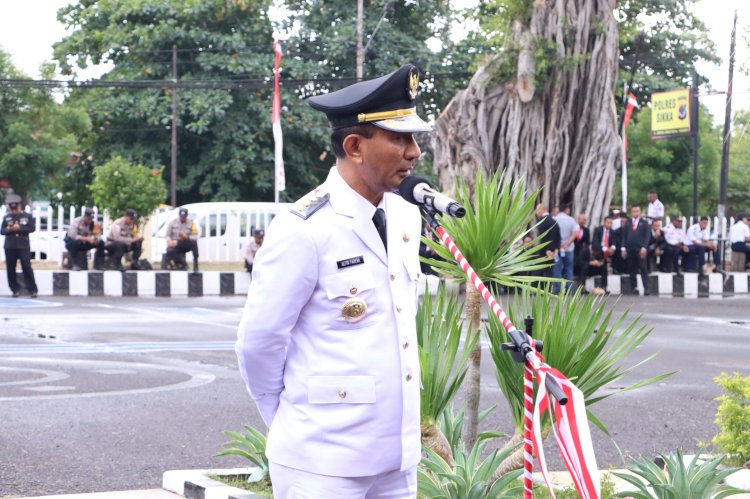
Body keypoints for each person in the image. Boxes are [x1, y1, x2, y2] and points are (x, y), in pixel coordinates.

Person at [235, 63, 430, 499]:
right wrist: (289, 417)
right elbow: (259, 342)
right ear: (355, 146)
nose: (414, 152)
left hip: (395, 461)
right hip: (321, 462)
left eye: (415, 139)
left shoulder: (405, 216)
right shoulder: (303, 228)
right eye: (400, 139)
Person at [1, 194, 38, 298]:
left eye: (15, 207)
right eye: (12, 208)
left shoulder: (27, 216)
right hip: (10, 246)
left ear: (19, 206)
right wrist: (9, 229)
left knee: (26, 267)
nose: (14, 210)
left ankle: (32, 289)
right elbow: (2, 231)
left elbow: (32, 228)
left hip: (23, 245)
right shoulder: (6, 217)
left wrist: (20, 228)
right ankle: (15, 289)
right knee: (10, 268)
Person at [621, 205, 651, 295]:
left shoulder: (644, 223)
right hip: (630, 249)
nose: (635, 213)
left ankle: (646, 288)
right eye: (633, 211)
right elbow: (624, 236)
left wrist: (644, 247)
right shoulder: (628, 222)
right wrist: (623, 248)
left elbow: (647, 236)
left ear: (640, 211)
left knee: (643, 268)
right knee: (631, 269)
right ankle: (634, 287)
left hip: (640, 249)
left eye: (637, 211)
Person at [166, 207, 200, 273]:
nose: (182, 218)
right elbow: (167, 235)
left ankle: (196, 265)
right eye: (181, 217)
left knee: (194, 243)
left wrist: (187, 237)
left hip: (186, 242)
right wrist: (169, 241)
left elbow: (196, 236)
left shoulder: (191, 223)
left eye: (184, 217)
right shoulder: (172, 222)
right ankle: (184, 264)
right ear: (179, 215)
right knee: (169, 251)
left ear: (187, 216)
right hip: (175, 243)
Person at [553, 204, 577, 293]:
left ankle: (557, 289)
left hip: (557, 248)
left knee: (556, 268)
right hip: (569, 248)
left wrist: (560, 244)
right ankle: (569, 288)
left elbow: (553, 235)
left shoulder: (555, 219)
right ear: (567, 210)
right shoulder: (571, 220)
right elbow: (575, 233)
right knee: (569, 268)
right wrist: (567, 244)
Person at [533, 203, 560, 281]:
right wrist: (556, 249)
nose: (536, 213)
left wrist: (547, 250)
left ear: (542, 209)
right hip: (553, 252)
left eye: (537, 210)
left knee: (537, 270)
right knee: (549, 272)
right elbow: (558, 237)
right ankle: (548, 290)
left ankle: (534, 290)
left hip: (544, 250)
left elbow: (543, 237)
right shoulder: (554, 221)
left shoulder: (542, 221)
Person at [590, 215, 616, 293]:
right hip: (597, 252)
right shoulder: (598, 230)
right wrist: (605, 249)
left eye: (611, 223)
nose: (609, 224)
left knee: (605, 269)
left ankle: (604, 287)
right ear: (604, 222)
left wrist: (612, 248)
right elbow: (595, 243)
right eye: (608, 222)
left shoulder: (612, 231)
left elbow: (614, 242)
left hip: (608, 254)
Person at [572, 213, 590, 292]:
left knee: (584, 266)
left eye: (585, 220)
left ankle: (583, 286)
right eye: (583, 219)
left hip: (581, 253)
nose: (584, 221)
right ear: (578, 219)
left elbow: (587, 242)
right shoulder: (573, 228)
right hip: (572, 251)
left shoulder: (586, 230)